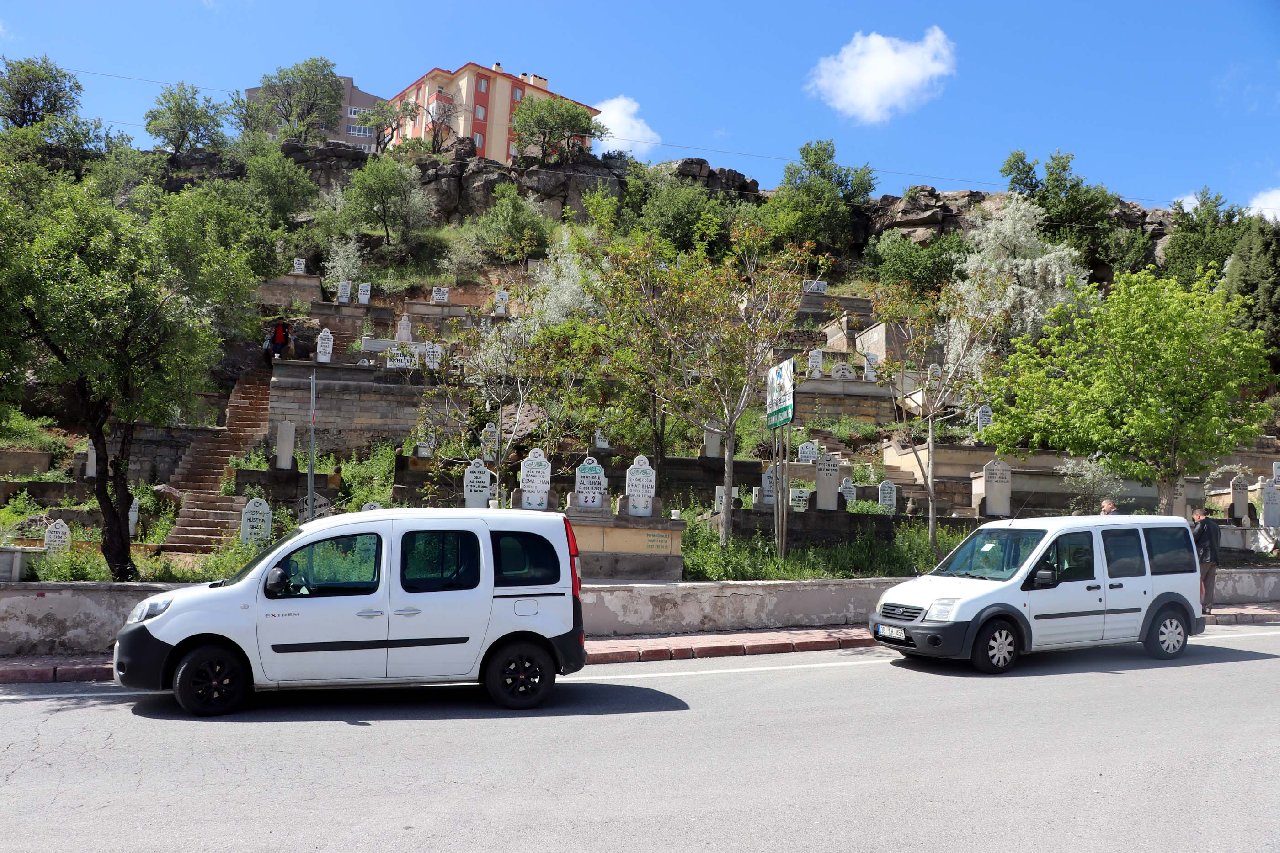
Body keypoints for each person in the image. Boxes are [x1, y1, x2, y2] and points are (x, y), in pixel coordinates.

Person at [1191, 507, 1220, 614]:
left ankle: (1196, 606)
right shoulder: (1215, 525)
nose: (1194, 520)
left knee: (1197, 582)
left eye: (1194, 518)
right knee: (1209, 584)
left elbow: (1193, 539)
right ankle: (1207, 608)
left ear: (1198, 516)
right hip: (1214, 558)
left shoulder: (1201, 524)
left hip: (1203, 558)